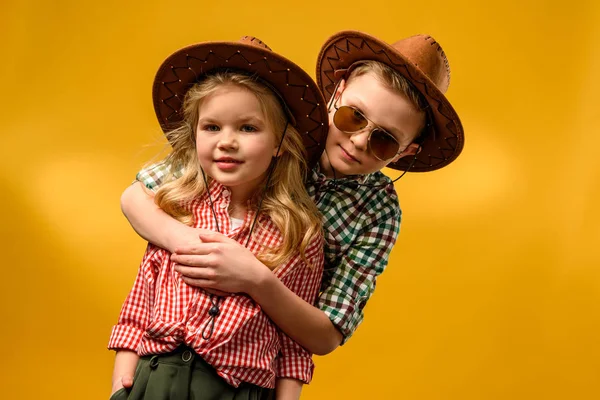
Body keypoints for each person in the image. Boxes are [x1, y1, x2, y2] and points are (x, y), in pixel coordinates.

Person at [120, 30, 465, 358]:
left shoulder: (378, 210)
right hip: (173, 332)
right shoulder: (273, 132)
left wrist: (255, 279)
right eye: (353, 116)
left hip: (258, 364)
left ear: (405, 152)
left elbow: (327, 333)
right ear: (337, 91)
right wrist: (193, 245)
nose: (359, 142)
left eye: (384, 140)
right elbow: (136, 197)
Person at [108, 36, 330, 400]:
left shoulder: (299, 232)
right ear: (194, 135)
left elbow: (294, 344)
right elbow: (138, 306)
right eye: (212, 127)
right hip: (155, 379)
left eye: (247, 128)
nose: (226, 141)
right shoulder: (175, 209)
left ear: (278, 143)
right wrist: (121, 388)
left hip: (238, 389)